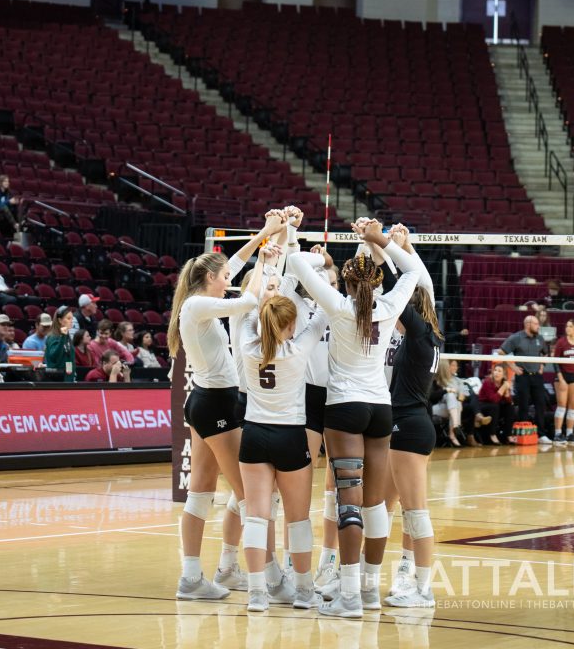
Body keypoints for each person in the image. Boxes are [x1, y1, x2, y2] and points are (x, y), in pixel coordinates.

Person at [284, 217, 422, 618]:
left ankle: (347, 596)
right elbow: (412, 269)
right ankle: (368, 590)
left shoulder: (338, 306)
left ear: (345, 283)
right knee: (376, 506)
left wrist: (305, 247)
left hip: (343, 409)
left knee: (349, 503)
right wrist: (375, 239)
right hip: (381, 409)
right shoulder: (388, 304)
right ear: (377, 281)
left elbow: (295, 266)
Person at [169, 211, 286, 602]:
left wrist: (264, 235)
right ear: (208, 280)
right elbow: (250, 300)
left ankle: (196, 577)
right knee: (255, 497)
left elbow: (232, 267)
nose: (228, 282)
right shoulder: (198, 307)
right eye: (223, 279)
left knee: (202, 495)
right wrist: (270, 266)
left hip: (205, 403)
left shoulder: (199, 301)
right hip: (216, 405)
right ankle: (270, 577)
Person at [239, 244, 328, 612]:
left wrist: (270, 269)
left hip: (254, 434)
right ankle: (305, 591)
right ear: (291, 325)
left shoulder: (247, 343)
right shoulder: (299, 349)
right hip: (291, 435)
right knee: (298, 518)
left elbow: (250, 301)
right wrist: (318, 263)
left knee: (258, 516)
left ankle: (257, 592)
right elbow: (325, 311)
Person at [382, 269, 443, 609]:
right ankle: (402, 576)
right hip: (407, 424)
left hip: (409, 426)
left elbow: (398, 289)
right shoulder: (429, 336)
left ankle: (423, 590)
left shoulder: (419, 335)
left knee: (416, 512)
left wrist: (380, 246)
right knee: (389, 506)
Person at [497, 314, 551, 442]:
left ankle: (541, 434)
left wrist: (542, 365)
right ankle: (523, 434)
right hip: (523, 377)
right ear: (528, 324)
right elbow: (501, 352)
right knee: (523, 406)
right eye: (536, 324)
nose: (538, 326)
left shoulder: (540, 338)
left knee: (540, 404)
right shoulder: (517, 337)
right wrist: (513, 367)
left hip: (536, 376)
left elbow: (546, 353)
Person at [552, 319, 574, 444]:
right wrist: (561, 379)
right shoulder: (561, 342)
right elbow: (555, 362)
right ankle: (558, 433)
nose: (567, 328)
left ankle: (570, 433)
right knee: (561, 405)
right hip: (562, 377)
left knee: (573, 406)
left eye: (570, 326)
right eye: (567, 326)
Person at [477, 363, 515, 444]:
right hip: (483, 406)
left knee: (510, 407)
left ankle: (508, 435)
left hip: (496, 407)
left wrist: (507, 392)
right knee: (495, 406)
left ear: (504, 375)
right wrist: (503, 388)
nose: (496, 373)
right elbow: (493, 399)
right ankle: (492, 434)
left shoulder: (503, 383)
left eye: (499, 371)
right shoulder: (487, 382)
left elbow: (509, 401)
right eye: (495, 370)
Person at [44, 306, 76, 381]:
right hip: (56, 380)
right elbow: (54, 356)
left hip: (68, 377)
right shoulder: (53, 337)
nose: (71, 321)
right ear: (60, 320)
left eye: (72, 318)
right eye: (68, 318)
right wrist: (63, 337)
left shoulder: (66, 336)